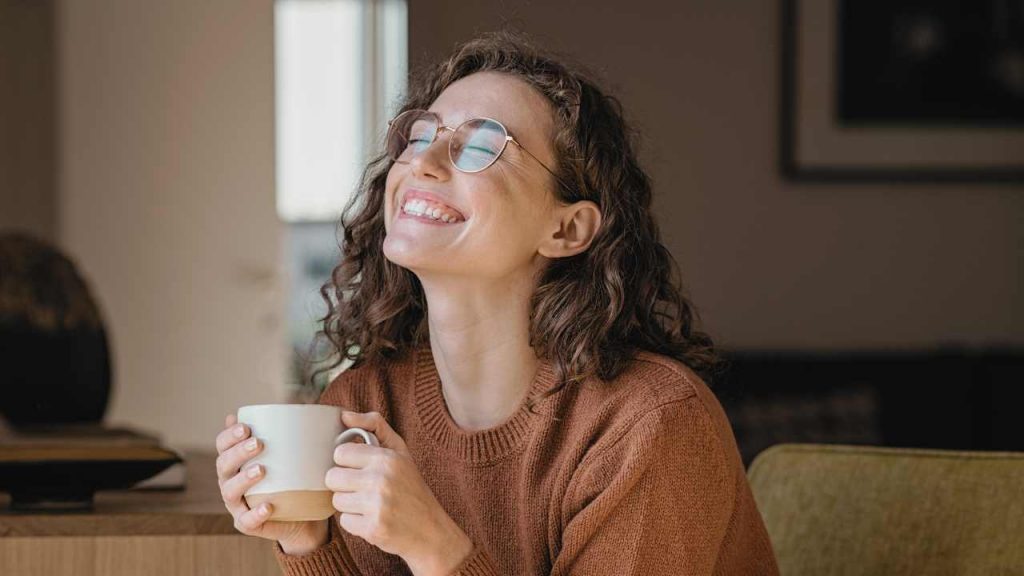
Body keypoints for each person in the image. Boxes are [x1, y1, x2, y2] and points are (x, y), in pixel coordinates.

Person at [215, 31, 779, 575]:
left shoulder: (648, 427)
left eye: (482, 144)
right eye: (420, 134)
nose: (424, 161)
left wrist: (436, 548)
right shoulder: (365, 403)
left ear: (567, 230)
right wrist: (305, 539)